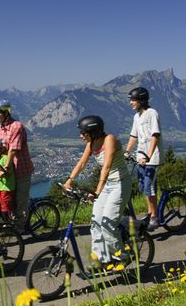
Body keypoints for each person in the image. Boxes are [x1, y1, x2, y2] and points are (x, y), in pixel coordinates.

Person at [63, 115, 131, 265]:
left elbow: (106, 167)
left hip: (120, 184)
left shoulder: (110, 140)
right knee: (95, 223)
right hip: (107, 185)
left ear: (93, 132)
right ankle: (102, 259)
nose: (81, 136)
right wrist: (69, 181)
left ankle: (123, 256)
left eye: (84, 133)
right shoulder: (91, 143)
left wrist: (97, 190)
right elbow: (81, 163)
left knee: (107, 225)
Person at [0, 100, 34, 234]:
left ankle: (20, 228)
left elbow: (13, 150)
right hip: (9, 171)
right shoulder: (1, 128)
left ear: (6, 112)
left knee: (20, 200)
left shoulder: (16, 126)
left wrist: (5, 168)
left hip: (20, 169)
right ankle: (12, 224)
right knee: (10, 199)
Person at [124, 87, 163, 231]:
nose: (131, 103)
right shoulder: (136, 117)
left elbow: (155, 135)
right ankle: (150, 212)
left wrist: (148, 155)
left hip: (152, 159)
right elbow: (133, 136)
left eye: (133, 100)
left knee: (148, 187)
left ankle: (154, 217)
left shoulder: (152, 113)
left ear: (141, 100)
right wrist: (127, 151)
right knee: (142, 186)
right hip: (141, 157)